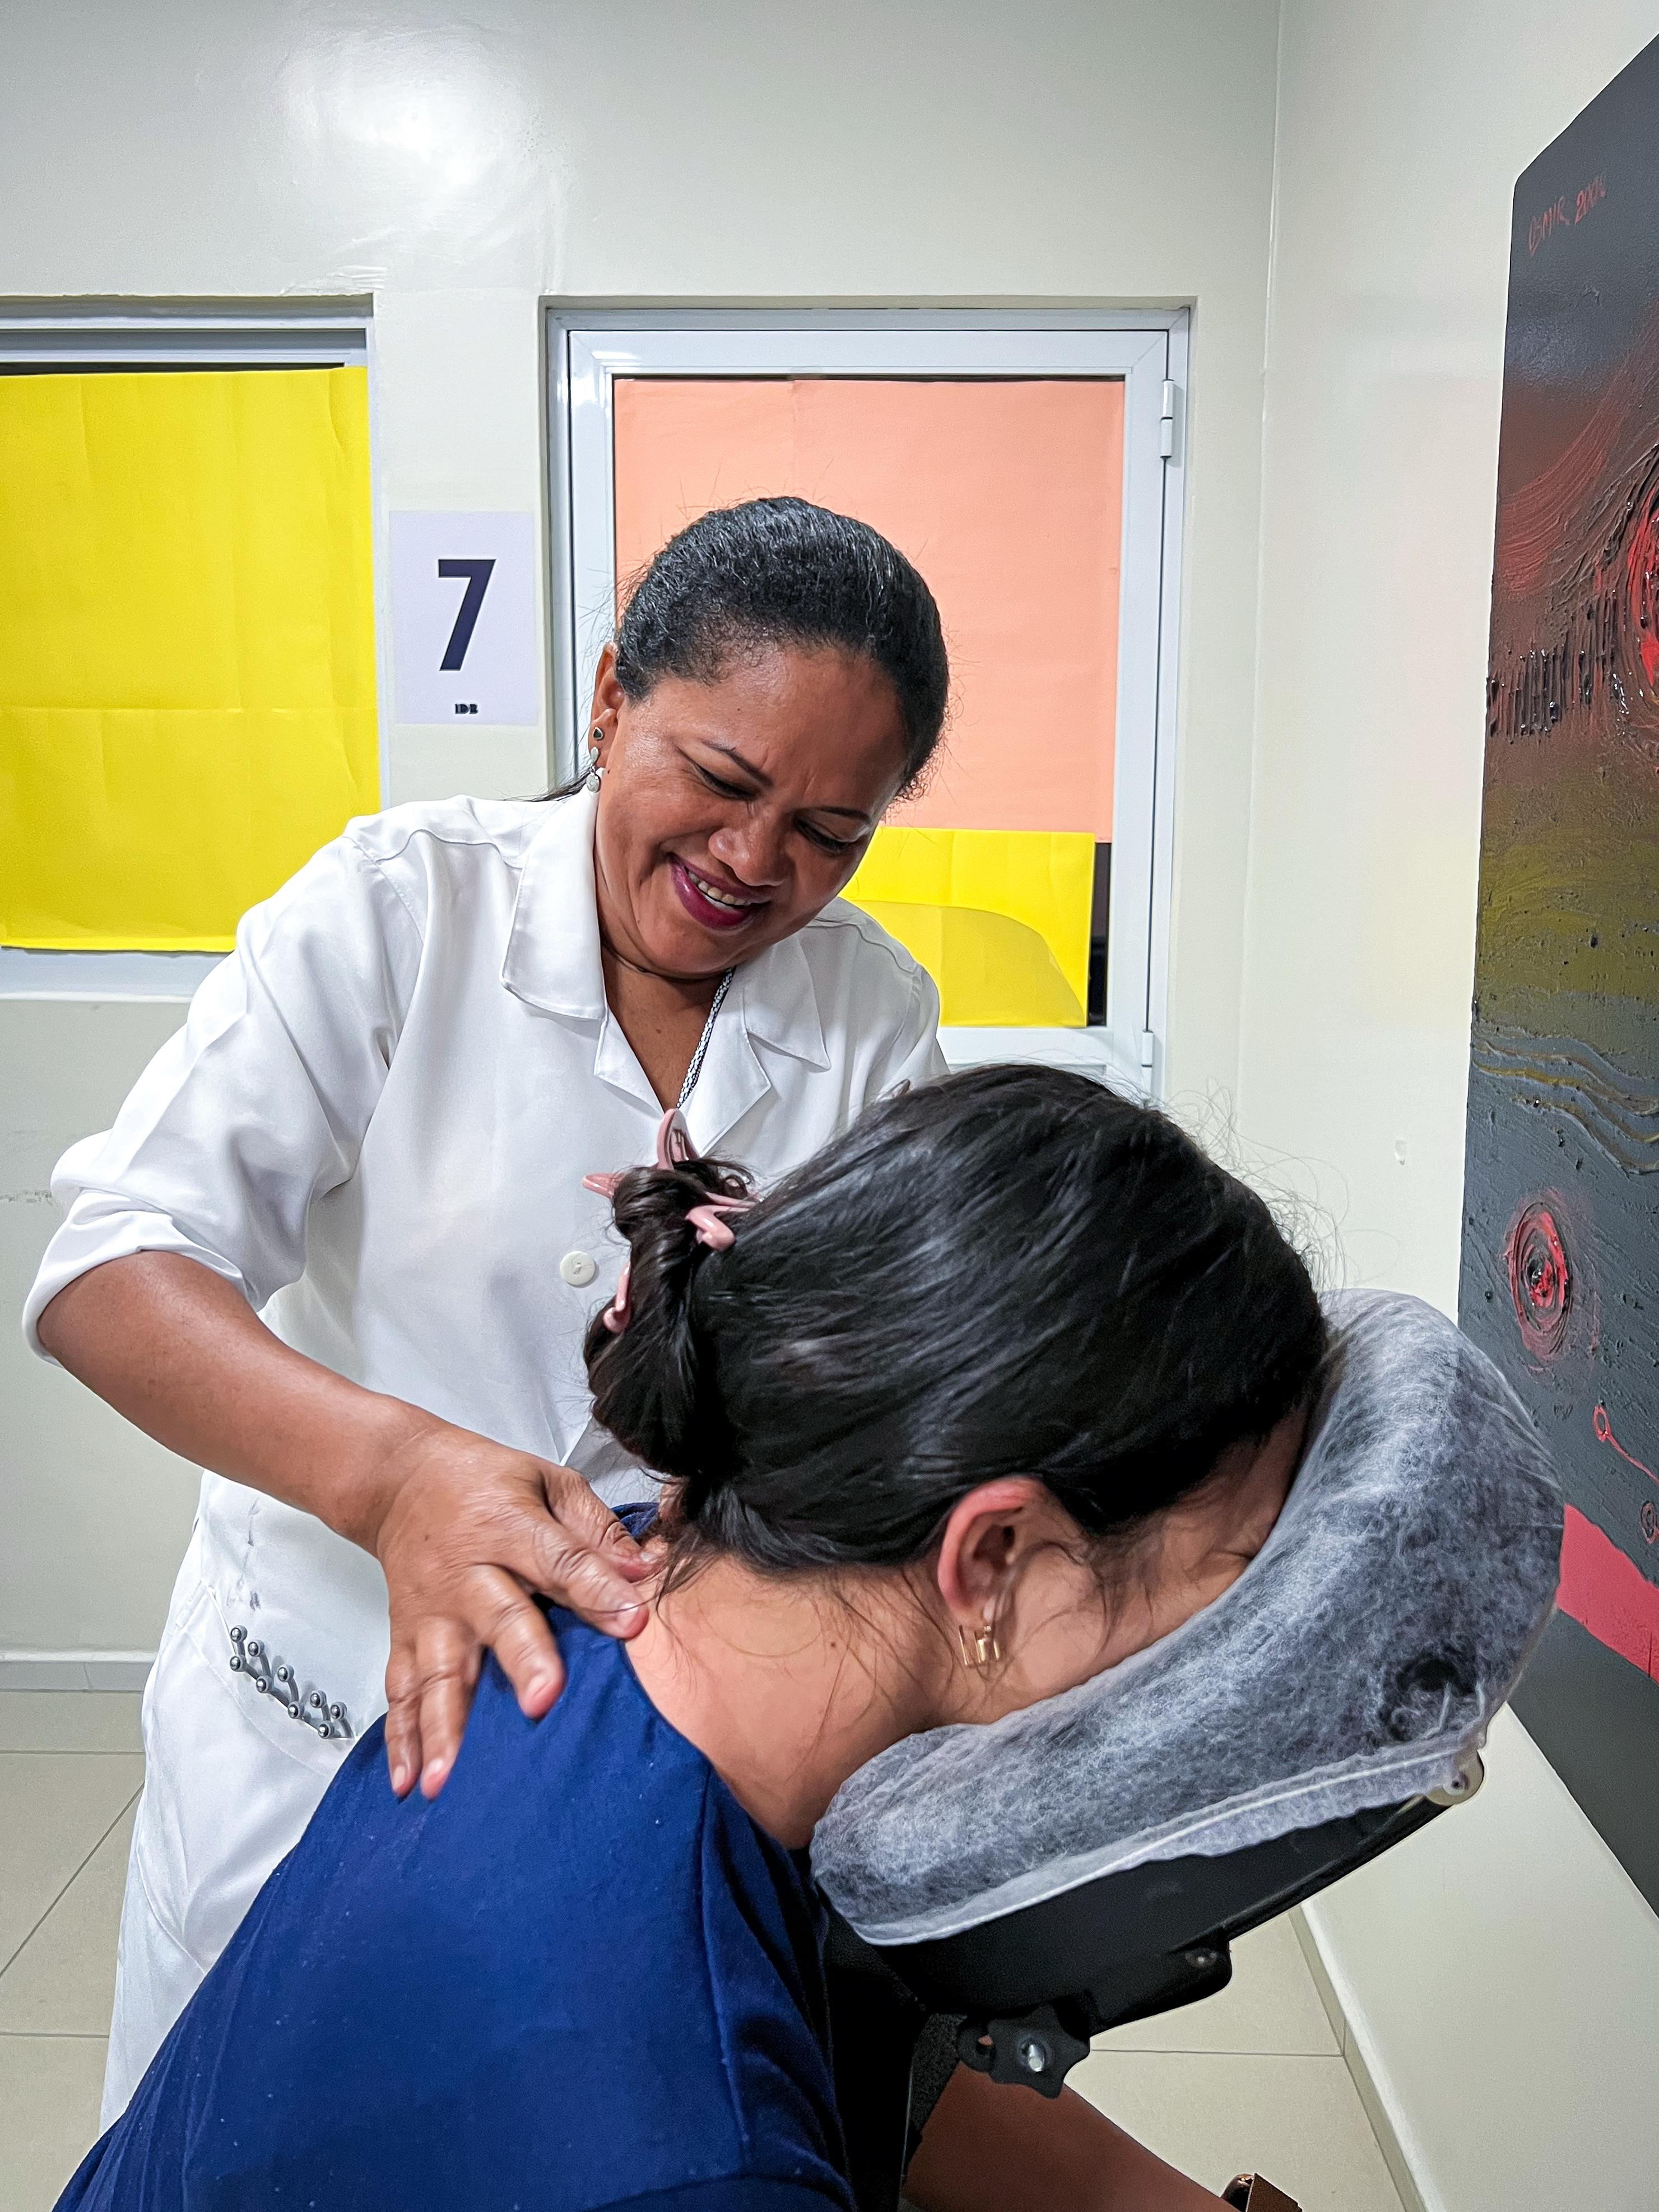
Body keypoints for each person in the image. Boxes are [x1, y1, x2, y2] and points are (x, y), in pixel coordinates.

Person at [23, 496, 952, 2120]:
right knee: (255, 2116)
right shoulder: (397, 912)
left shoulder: (868, 1011)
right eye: (722, 782)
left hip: (646, 1744)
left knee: (555, 2113)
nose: (754, 861)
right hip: (322, 1694)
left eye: (829, 830)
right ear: (611, 697)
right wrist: (395, 1478)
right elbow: (109, 1268)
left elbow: (908, 1355)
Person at [56, 1066, 1327, 2212]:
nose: (1216, 1644)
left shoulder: (600, 1602)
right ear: (990, 1561)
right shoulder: (694, 2162)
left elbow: (833, 2019)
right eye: (1226, 1571)